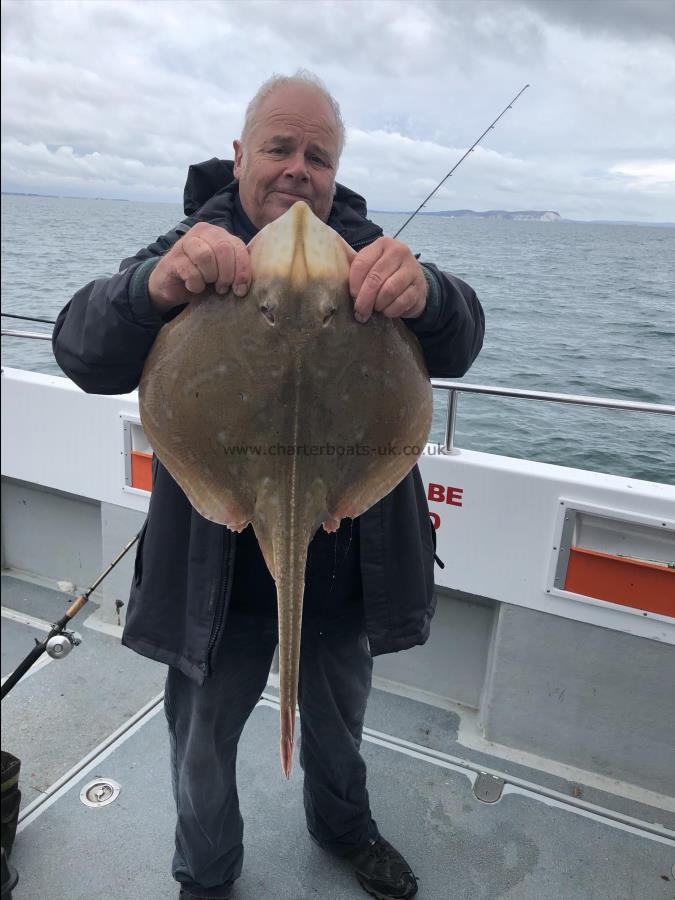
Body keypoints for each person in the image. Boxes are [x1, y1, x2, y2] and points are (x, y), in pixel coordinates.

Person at [53, 71, 484, 900]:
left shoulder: (368, 253)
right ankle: (207, 877)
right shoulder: (182, 248)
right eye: (280, 148)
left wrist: (426, 293)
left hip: (346, 547)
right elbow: (81, 347)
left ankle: (344, 827)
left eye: (316, 156)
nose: (297, 170)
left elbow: (460, 339)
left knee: (339, 721)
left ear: (334, 173)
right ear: (239, 154)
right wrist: (156, 286)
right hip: (213, 571)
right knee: (201, 740)